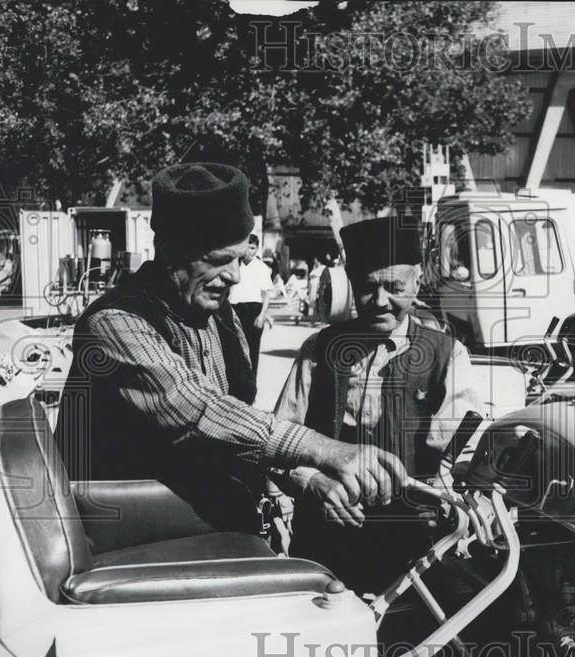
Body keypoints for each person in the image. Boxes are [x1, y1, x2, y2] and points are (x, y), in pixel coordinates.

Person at [55, 163, 407, 533]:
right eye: (220, 260)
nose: (235, 276)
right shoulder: (114, 323)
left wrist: (306, 478)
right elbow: (200, 413)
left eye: (240, 259)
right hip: (124, 533)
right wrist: (327, 450)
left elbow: (237, 428)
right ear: (170, 252)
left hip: (199, 521)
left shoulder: (221, 315)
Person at [271, 215, 482, 593]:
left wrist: (452, 497)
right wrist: (313, 481)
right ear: (351, 283)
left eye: (395, 287)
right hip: (323, 545)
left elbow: (457, 459)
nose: (381, 301)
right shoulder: (319, 350)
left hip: (411, 554)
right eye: (368, 288)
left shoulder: (447, 355)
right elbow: (276, 442)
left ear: (418, 281)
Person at [228, 233, 272, 376]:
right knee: (235, 349)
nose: (249, 251)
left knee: (252, 349)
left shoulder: (262, 268)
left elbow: (266, 294)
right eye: (247, 247)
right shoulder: (234, 265)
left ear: (257, 249)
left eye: (252, 248)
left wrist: (262, 316)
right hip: (235, 309)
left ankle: (252, 384)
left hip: (254, 310)